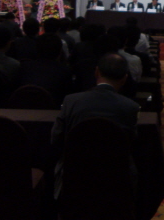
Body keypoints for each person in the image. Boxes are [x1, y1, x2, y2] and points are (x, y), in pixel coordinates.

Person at [51, 53, 140, 198]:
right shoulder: (131, 107)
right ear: (125, 78)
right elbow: (132, 144)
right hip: (116, 178)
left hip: (74, 175)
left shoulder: (71, 101)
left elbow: (56, 139)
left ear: (97, 72)